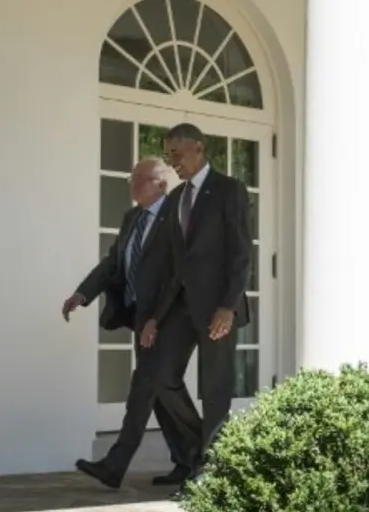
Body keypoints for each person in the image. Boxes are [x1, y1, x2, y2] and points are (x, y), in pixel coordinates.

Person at [61, 157, 201, 489]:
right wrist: (82, 294)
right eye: (132, 177)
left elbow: (178, 275)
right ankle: (192, 459)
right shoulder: (131, 218)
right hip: (143, 316)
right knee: (160, 388)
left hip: (174, 316)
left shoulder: (178, 216)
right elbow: (114, 263)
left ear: (162, 184)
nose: (133, 183)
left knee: (146, 386)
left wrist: (157, 317)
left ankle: (116, 463)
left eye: (141, 178)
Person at [146, 122, 252, 470]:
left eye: (176, 153)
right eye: (168, 154)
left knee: (215, 387)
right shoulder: (176, 198)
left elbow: (240, 253)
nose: (172, 160)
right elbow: (176, 265)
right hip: (181, 306)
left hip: (217, 307)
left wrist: (228, 306)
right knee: (161, 376)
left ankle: (212, 469)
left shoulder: (229, 190)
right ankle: (199, 452)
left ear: (198, 148)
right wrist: (155, 317)